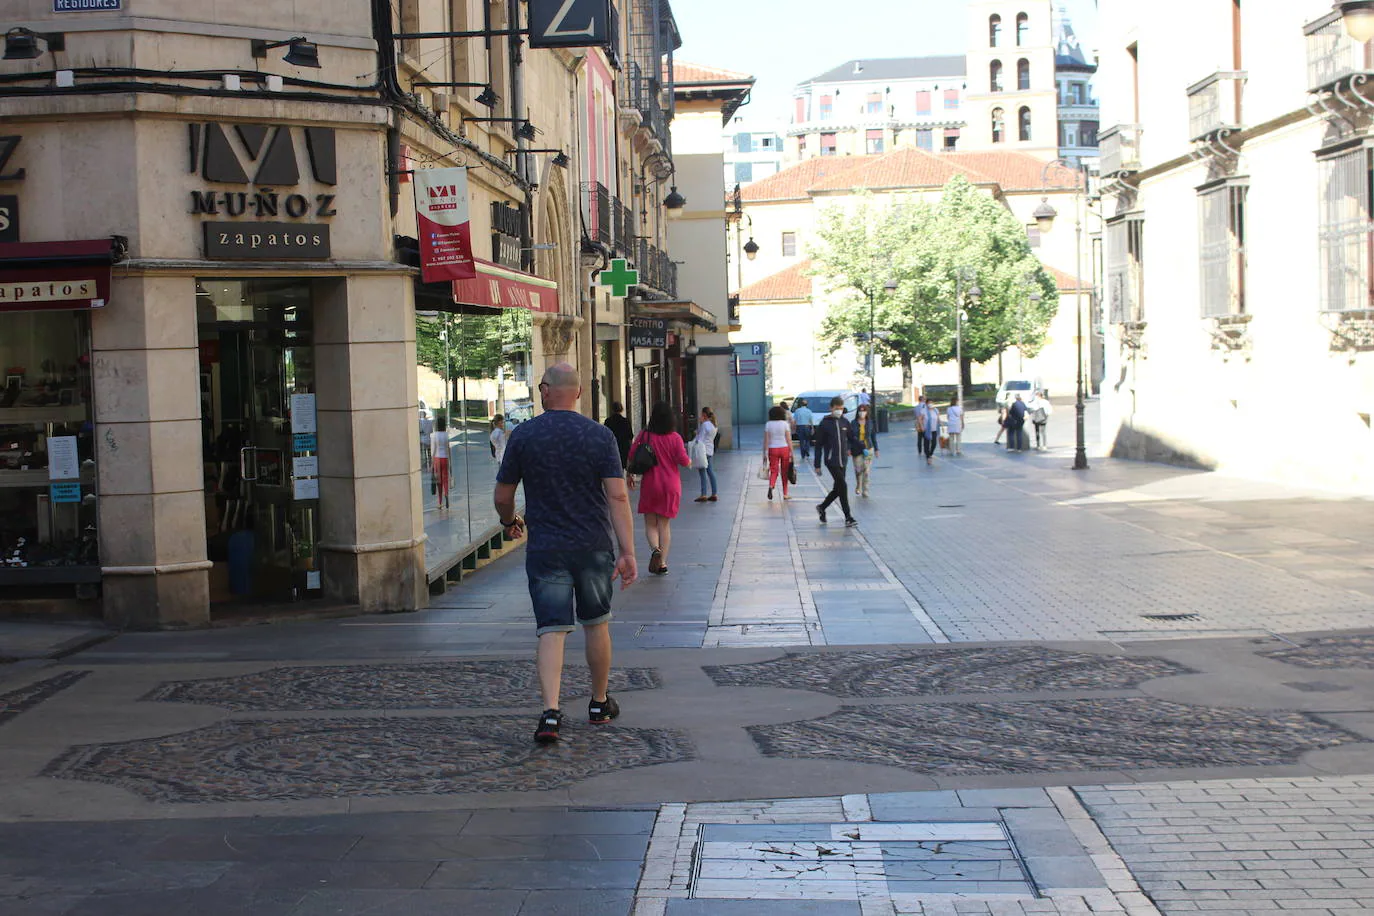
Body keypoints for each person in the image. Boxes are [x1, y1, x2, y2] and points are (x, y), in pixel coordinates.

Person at [494, 364, 637, 745]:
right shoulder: (600, 436)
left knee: (551, 630)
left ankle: (551, 713)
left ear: (544, 390)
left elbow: (503, 496)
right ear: (577, 393)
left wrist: (510, 521)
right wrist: (628, 552)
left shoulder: (524, 435)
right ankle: (599, 702)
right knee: (597, 623)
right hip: (592, 547)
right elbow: (618, 495)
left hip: (546, 548)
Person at [629, 401, 690, 576]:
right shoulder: (675, 438)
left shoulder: (645, 435)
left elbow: (632, 454)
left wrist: (630, 475)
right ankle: (662, 562)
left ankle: (655, 549)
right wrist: (691, 461)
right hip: (671, 485)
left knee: (650, 523)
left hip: (650, 484)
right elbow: (684, 461)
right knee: (664, 524)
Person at [814, 396, 859, 528]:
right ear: (831, 408)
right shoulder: (825, 423)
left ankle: (822, 507)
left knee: (838, 488)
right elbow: (818, 445)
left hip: (843, 460)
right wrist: (817, 464)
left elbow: (851, 438)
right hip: (831, 460)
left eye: (841, 408)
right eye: (836, 408)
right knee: (843, 487)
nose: (839, 410)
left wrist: (862, 447)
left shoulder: (845, 422)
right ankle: (848, 517)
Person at [764, 405, 794, 501]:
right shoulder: (785, 424)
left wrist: (764, 453)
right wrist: (792, 452)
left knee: (774, 470)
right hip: (784, 448)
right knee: (784, 471)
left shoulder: (768, 424)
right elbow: (789, 439)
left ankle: (771, 485)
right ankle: (785, 494)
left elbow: (766, 440)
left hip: (772, 449)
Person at [852, 402, 879, 497]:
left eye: (864, 411)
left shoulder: (870, 423)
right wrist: (848, 448)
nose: (862, 413)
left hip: (868, 448)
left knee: (866, 471)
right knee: (858, 469)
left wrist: (876, 449)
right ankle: (858, 485)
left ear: (867, 413)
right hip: (857, 449)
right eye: (860, 411)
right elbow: (850, 437)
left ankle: (865, 490)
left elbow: (873, 436)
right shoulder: (853, 423)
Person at [692, 407, 719, 503]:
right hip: (710, 450)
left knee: (702, 472)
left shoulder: (704, 425)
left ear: (704, 415)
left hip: (702, 451)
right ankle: (714, 493)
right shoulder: (713, 425)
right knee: (710, 472)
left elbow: (700, 439)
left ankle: (703, 494)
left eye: (701, 415)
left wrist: (697, 433)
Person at [604, 402, 633, 472]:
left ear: (612, 409)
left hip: (612, 447)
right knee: (624, 466)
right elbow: (630, 436)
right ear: (621, 409)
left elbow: (605, 436)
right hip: (624, 447)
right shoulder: (626, 421)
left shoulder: (608, 421)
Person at [430, 416, 452, 510]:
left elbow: (433, 449)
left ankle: (440, 502)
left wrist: (432, 463)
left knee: (438, 481)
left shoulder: (434, 435)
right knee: (445, 478)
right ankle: (446, 493)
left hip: (437, 458)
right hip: (445, 458)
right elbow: (448, 448)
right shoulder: (446, 435)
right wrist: (450, 461)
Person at [916, 398, 941, 465]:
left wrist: (940, 423)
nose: (931, 404)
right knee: (926, 444)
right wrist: (922, 426)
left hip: (934, 429)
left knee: (934, 443)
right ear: (926, 404)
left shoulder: (936, 410)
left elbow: (938, 418)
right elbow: (920, 419)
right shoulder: (923, 411)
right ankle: (928, 457)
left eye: (932, 402)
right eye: (929, 403)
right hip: (927, 430)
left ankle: (930, 453)